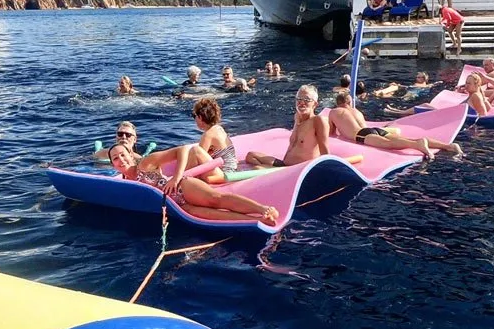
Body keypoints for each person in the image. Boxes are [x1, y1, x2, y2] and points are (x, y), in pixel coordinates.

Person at [108, 142, 278, 226]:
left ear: (131, 154)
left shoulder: (145, 163)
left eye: (123, 154)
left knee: (216, 199)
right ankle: (256, 220)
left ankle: (263, 209)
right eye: (115, 158)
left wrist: (176, 177)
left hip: (183, 187)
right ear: (112, 164)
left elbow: (182, 150)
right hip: (179, 207)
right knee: (209, 215)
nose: (121, 160)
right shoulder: (124, 183)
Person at [328, 90, 463, 157]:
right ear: (349, 102)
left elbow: (331, 132)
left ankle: (417, 145)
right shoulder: (356, 111)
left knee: (389, 144)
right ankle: (448, 146)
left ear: (338, 103)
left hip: (361, 135)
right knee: (404, 139)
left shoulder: (334, 112)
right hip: (373, 129)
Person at [244, 84, 329, 167]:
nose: (302, 102)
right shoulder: (297, 117)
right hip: (285, 165)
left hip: (299, 169)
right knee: (251, 155)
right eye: (299, 99)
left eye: (307, 99)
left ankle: (266, 169)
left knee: (258, 168)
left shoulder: (318, 121)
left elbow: (325, 152)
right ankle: (269, 169)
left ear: (315, 104)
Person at [193, 96, 238, 173]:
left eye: (195, 116)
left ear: (200, 117)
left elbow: (197, 161)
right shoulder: (219, 128)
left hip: (225, 172)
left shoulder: (208, 135)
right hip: (233, 167)